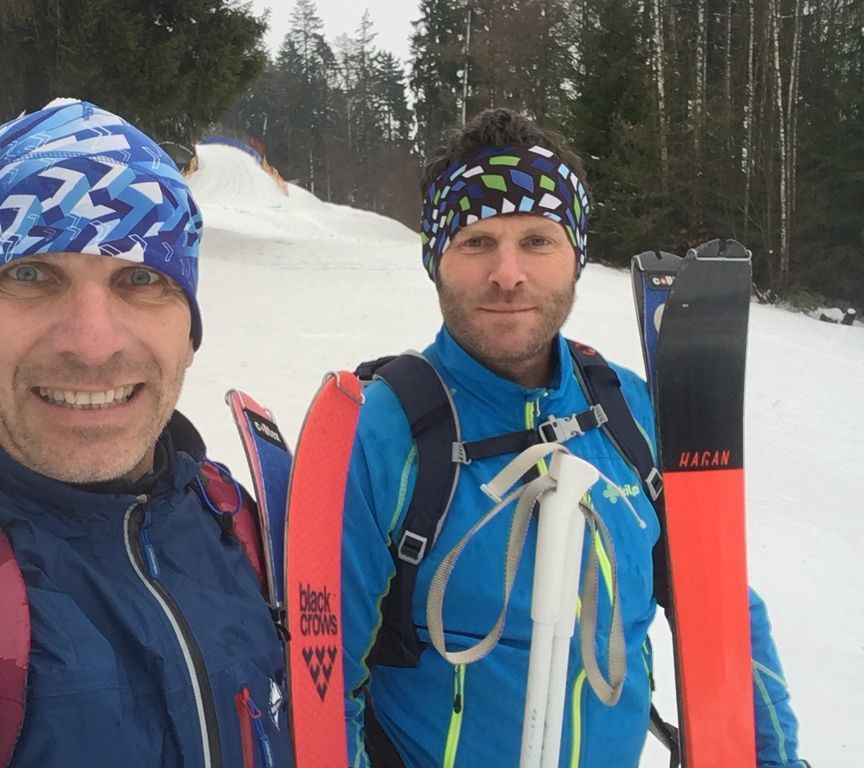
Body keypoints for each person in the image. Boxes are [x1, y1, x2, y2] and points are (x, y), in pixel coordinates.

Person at [340, 108, 807, 767]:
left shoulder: (630, 413)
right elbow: (326, 684)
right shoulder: (381, 434)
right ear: (436, 258)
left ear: (576, 256)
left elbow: (722, 607)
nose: (508, 273)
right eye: (477, 241)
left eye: (537, 240)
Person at [0, 100, 293, 768]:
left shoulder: (240, 528)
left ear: (188, 335)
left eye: (142, 278)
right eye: (29, 274)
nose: (92, 344)